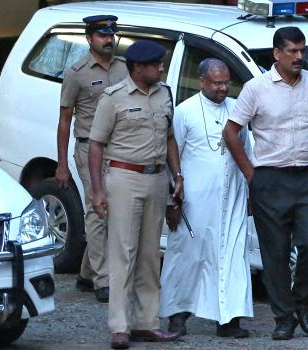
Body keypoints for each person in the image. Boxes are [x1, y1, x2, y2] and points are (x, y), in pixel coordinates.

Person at [222, 26, 308, 341]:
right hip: (270, 178)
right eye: (292, 51)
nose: (299, 57)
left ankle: (303, 304)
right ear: (277, 54)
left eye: (302, 50)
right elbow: (230, 132)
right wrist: (251, 174)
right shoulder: (256, 89)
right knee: (275, 253)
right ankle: (284, 318)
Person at [88, 40, 183, 349]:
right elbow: (96, 145)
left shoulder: (164, 93)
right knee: (122, 253)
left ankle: (147, 322)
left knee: (149, 255)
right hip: (124, 176)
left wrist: (177, 175)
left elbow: (169, 139)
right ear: (138, 68)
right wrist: (98, 191)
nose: (161, 68)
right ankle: (120, 325)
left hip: (156, 179)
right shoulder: (113, 98)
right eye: (156, 64)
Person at [159, 58, 253, 338]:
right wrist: (173, 199)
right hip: (195, 201)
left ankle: (228, 320)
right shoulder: (185, 111)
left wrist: (249, 193)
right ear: (202, 82)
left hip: (232, 198)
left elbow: (246, 150)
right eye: (216, 83)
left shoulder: (237, 109)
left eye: (226, 82)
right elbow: (172, 151)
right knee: (187, 257)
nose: (223, 88)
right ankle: (178, 315)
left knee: (232, 257)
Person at [57, 15, 127, 303]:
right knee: (97, 210)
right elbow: (64, 120)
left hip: (118, 147)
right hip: (88, 149)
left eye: (111, 33)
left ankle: (87, 273)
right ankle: (103, 280)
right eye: (102, 34)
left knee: (111, 210)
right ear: (89, 38)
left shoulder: (124, 67)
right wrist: (62, 164)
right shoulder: (77, 72)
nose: (108, 38)